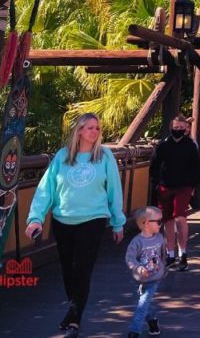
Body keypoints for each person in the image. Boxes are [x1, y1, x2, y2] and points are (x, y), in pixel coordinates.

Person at [26, 113, 125, 338]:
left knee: (82, 268)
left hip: (93, 219)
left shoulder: (105, 156)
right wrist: (35, 218)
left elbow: (114, 191)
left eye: (97, 128)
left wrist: (118, 222)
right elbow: (46, 190)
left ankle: (75, 319)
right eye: (89, 127)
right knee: (68, 270)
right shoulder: (62, 157)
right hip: (63, 220)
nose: (94, 132)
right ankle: (73, 307)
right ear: (79, 131)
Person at [149, 114, 200, 271]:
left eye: (181, 128)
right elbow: (155, 166)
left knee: (180, 216)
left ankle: (183, 253)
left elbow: (196, 167)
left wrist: (193, 186)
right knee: (168, 220)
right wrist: (156, 184)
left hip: (184, 186)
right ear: (171, 128)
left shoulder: (191, 146)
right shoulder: (163, 146)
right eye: (175, 127)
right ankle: (170, 254)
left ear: (185, 129)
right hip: (165, 186)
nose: (177, 130)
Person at [124, 206, 166, 338]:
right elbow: (129, 258)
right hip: (139, 279)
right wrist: (138, 268)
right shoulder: (136, 242)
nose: (161, 224)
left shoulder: (159, 238)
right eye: (159, 222)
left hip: (154, 279)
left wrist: (164, 268)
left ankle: (134, 331)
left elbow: (163, 255)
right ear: (147, 224)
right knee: (144, 304)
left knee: (143, 303)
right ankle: (152, 320)